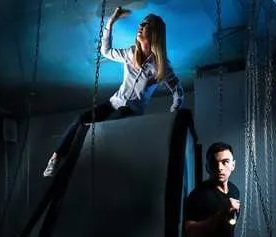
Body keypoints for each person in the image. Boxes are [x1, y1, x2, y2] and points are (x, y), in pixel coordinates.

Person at [42, 7, 184, 177]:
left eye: (145, 24)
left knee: (107, 126)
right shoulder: (131, 53)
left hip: (130, 111)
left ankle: (88, 162)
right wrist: (111, 22)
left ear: (154, 32)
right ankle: (56, 159)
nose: (140, 26)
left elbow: (178, 91)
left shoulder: (161, 66)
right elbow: (106, 51)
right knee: (81, 119)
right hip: (113, 103)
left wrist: (173, 113)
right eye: (141, 23)